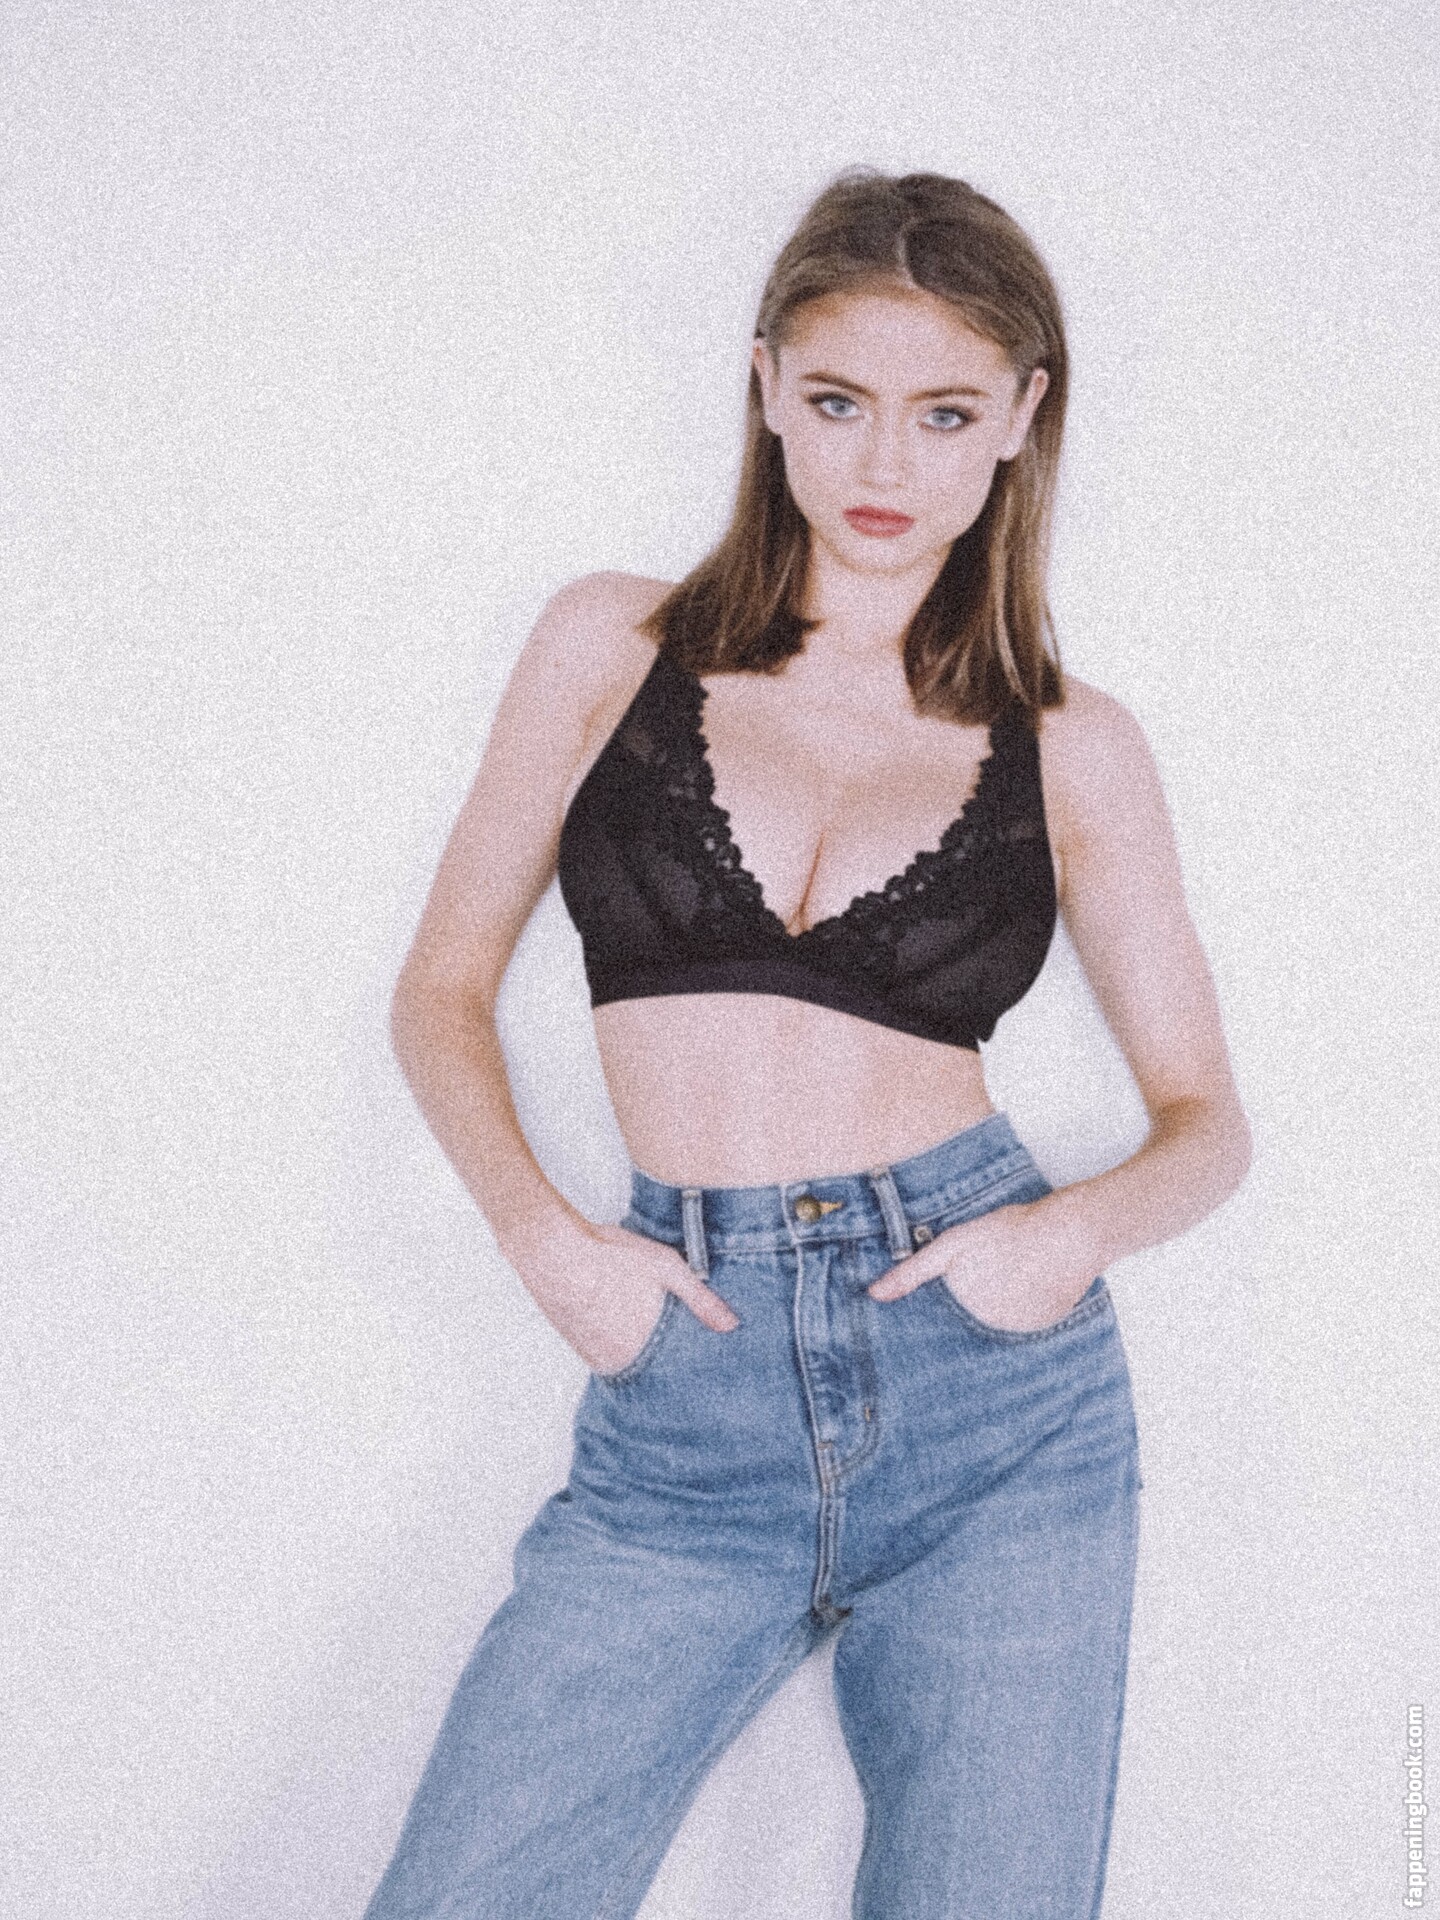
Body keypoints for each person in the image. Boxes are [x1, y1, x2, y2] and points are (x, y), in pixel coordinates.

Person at [364, 168, 1252, 1920]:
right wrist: (545, 1238)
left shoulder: (1075, 744)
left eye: (946, 413)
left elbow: (1207, 1119)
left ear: (1023, 417)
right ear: (767, 383)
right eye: (840, 401)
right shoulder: (610, 642)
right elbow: (440, 988)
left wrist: (1063, 1237)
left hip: (996, 1402)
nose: (883, 464)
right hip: (685, 1391)